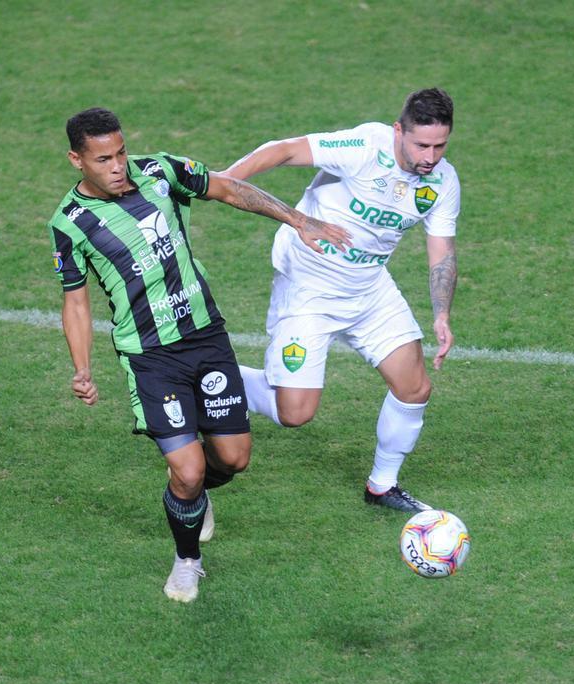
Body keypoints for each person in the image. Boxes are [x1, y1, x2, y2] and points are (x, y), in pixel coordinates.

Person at [49, 107, 350, 603]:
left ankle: (194, 494)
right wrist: (82, 369)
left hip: (206, 337)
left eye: (121, 152)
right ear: (77, 160)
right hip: (150, 356)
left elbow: (229, 188)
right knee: (186, 468)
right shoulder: (70, 224)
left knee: (232, 459)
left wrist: (298, 219)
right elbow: (75, 301)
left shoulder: (162, 172)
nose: (118, 165)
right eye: (103, 159)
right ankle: (188, 559)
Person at [217, 87, 461, 513]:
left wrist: (442, 315)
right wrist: (221, 180)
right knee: (294, 413)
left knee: (414, 387)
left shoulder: (442, 182)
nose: (431, 156)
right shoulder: (365, 148)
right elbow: (285, 150)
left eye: (440, 145)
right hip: (309, 285)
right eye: (422, 144)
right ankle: (209, 378)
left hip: (368, 288)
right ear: (398, 131)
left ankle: (382, 486)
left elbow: (442, 251)